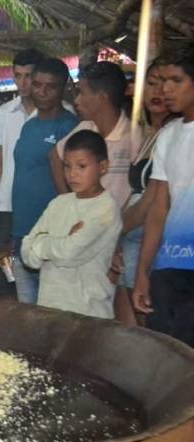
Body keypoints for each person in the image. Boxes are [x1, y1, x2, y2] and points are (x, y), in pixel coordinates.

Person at [22, 130, 122, 318]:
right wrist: (62, 240)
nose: (72, 174)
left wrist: (42, 243)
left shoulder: (105, 208)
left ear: (103, 166)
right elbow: (27, 253)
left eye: (81, 166)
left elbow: (69, 254)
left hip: (88, 312)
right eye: (67, 166)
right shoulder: (59, 203)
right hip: (49, 307)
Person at [133, 47, 194, 347]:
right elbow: (159, 207)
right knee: (172, 352)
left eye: (176, 80)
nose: (166, 89)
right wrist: (144, 272)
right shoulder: (169, 135)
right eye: (162, 81)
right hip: (171, 264)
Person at [9, 57, 79, 304]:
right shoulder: (29, 127)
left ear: (64, 88)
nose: (42, 91)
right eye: (37, 84)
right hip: (21, 231)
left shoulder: (70, 126)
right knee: (27, 311)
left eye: (50, 86)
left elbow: (72, 184)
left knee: (51, 311)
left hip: (51, 232)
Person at [112, 61, 176, 326]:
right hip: (133, 241)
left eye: (168, 83)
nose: (159, 90)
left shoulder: (177, 134)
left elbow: (151, 201)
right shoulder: (152, 134)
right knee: (140, 325)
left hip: (159, 243)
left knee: (155, 324)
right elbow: (136, 193)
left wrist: (111, 231)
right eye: (151, 83)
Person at [0, 48, 46, 300]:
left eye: (28, 76)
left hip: (41, 206)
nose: (23, 83)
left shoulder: (58, 114)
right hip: (5, 205)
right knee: (2, 271)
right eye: (18, 76)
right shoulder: (5, 112)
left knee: (37, 270)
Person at [54, 61, 131, 207]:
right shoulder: (85, 127)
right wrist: (68, 199)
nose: (76, 100)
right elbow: (55, 156)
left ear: (102, 97)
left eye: (82, 93)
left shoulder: (132, 137)